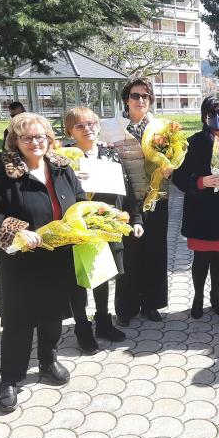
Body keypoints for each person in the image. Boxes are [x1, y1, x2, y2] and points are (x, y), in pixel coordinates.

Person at [0, 113, 85, 412]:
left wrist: (85, 224)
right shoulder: (2, 173)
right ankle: (10, 379)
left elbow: (79, 200)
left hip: (57, 255)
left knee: (52, 314)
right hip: (20, 261)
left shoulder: (62, 168)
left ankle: (48, 362)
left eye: (40, 137)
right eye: (27, 138)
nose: (35, 142)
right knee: (18, 320)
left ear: (49, 138)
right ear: (16, 142)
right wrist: (15, 229)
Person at [63, 107, 143, 353]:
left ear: (98, 126)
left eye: (91, 123)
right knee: (79, 279)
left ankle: (103, 321)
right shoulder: (62, 158)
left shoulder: (111, 154)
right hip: (79, 228)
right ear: (70, 131)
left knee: (104, 275)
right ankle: (82, 327)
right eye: (80, 125)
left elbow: (126, 189)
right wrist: (71, 177)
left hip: (109, 226)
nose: (87, 128)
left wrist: (136, 218)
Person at [172, 95, 219, 318]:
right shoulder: (192, 143)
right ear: (204, 116)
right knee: (202, 257)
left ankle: (216, 296)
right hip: (201, 211)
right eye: (211, 114)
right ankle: (197, 297)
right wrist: (199, 182)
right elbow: (179, 176)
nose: (217, 119)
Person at [113, 76, 173, 325]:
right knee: (128, 255)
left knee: (155, 252)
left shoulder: (162, 129)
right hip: (127, 201)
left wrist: (171, 168)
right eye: (135, 95)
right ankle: (126, 308)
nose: (140, 100)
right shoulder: (114, 129)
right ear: (126, 99)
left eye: (145, 96)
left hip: (156, 199)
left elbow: (173, 158)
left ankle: (152, 303)